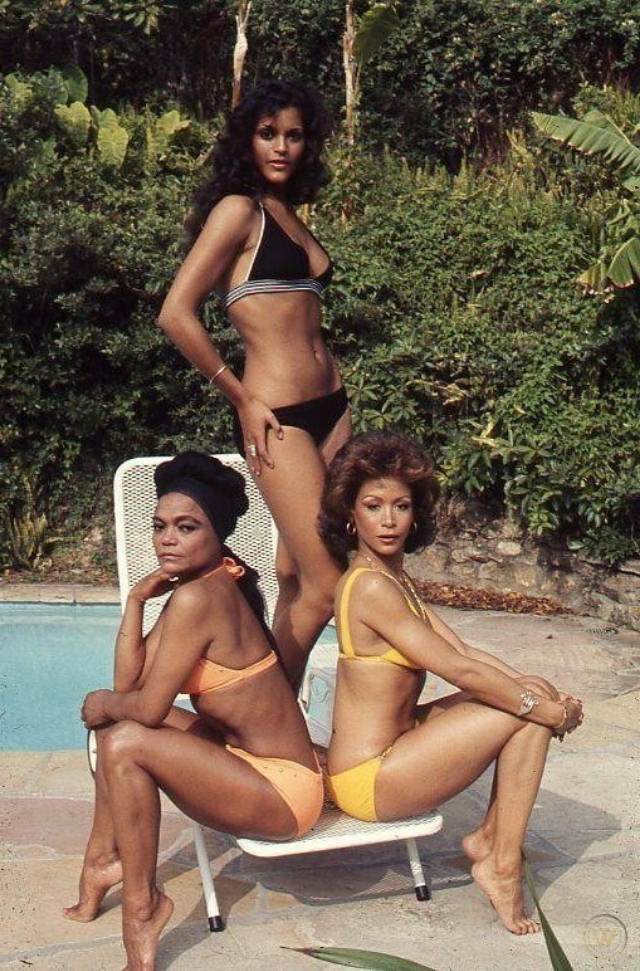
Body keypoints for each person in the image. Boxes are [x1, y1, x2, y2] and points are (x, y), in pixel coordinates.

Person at [63, 451, 323, 971]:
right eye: (159, 526)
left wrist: (103, 704)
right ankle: (103, 863)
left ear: (216, 534)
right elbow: (129, 686)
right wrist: (136, 601)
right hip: (246, 762)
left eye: (186, 527)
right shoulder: (201, 587)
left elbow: (147, 705)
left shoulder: (200, 598)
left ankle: (143, 905)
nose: (167, 538)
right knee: (119, 724)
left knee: (123, 737)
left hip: (283, 791)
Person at [318, 431, 584, 935]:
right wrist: (544, 711)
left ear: (416, 513)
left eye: (401, 505)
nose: (389, 519)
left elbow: (464, 652)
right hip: (370, 777)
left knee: (528, 693)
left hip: (395, 748)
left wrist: (543, 693)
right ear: (350, 515)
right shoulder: (370, 585)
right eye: (373, 506)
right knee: (522, 710)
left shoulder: (393, 578)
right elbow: (456, 672)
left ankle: (492, 843)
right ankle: (500, 862)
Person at [157, 79, 351, 686]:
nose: (282, 147)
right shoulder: (237, 211)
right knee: (328, 585)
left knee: (297, 574)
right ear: (247, 139)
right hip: (277, 415)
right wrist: (241, 397)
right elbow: (175, 313)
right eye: (269, 134)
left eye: (294, 136)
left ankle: (277, 733)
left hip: (332, 408)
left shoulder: (289, 215)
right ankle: (265, 719)